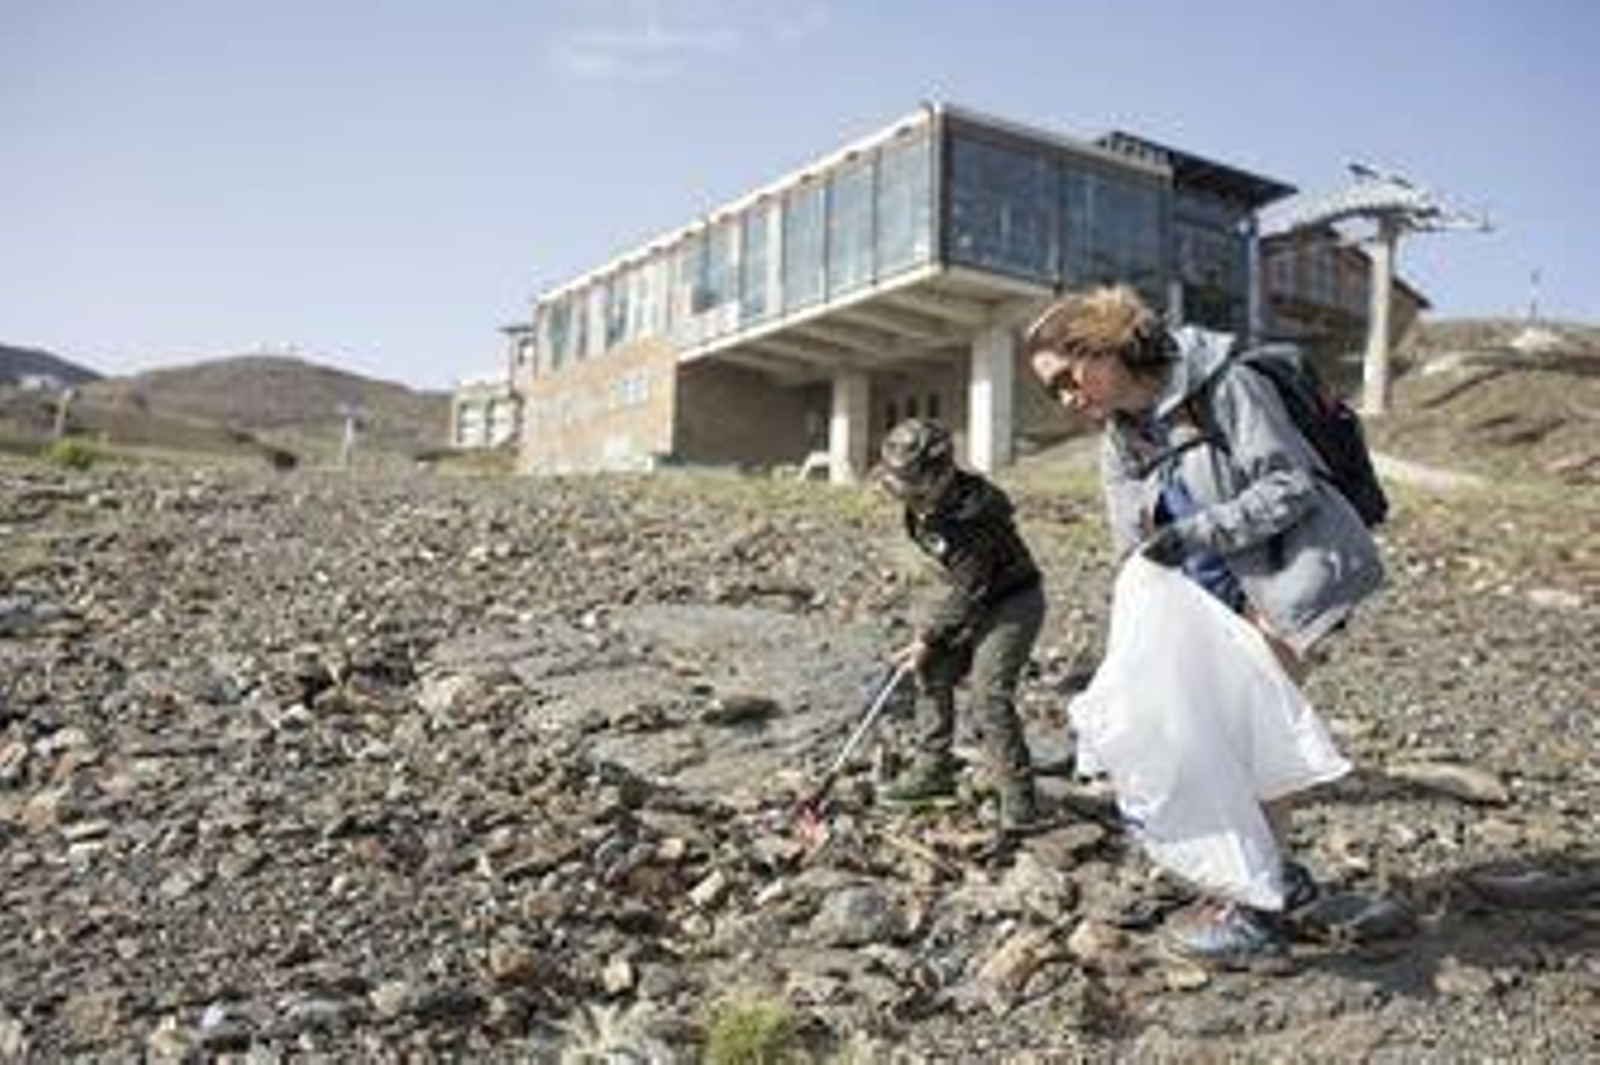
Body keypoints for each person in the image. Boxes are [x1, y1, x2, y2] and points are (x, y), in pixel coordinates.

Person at [1023, 284, 1384, 968]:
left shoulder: (1229, 382)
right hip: (1210, 591)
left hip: (1288, 574)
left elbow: (1291, 487)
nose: (1068, 398)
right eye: (1052, 393)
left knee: (1259, 732)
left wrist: (1191, 535)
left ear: (1105, 345)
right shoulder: (1121, 435)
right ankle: (1270, 876)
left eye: (1069, 378)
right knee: (1209, 730)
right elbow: (1131, 544)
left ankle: (1257, 912)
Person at [874, 417, 1047, 835]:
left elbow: (972, 589)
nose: (905, 492)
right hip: (975, 596)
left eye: (914, 482)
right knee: (933, 667)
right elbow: (957, 583)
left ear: (942, 472)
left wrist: (928, 635)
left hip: (1012, 603)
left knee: (989, 695)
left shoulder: (975, 515)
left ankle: (1019, 801)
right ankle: (934, 770)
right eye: (900, 481)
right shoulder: (924, 504)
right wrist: (931, 641)